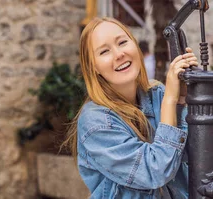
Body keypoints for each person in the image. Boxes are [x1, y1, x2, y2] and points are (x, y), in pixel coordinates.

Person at [63, 17, 198, 198]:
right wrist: (171, 100)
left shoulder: (158, 94)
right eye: (104, 51)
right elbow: (155, 171)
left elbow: (197, 156)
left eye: (123, 42)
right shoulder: (96, 123)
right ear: (93, 67)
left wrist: (182, 100)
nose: (119, 54)